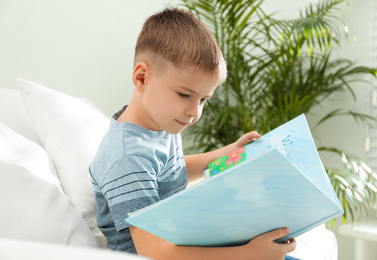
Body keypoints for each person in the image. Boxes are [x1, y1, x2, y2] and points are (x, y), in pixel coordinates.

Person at [90, 8, 297, 260]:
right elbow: (154, 252)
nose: (193, 112)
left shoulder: (159, 125)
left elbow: (171, 172)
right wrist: (247, 254)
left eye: (203, 100)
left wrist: (229, 153)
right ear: (142, 77)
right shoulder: (127, 158)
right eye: (185, 95)